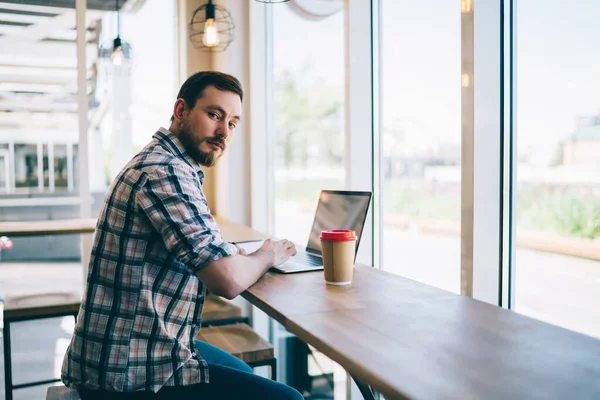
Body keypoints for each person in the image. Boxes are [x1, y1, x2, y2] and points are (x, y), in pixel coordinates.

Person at [61, 71, 303, 400]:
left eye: (232, 123)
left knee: (244, 372)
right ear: (180, 111)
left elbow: (205, 246)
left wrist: (236, 254)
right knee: (288, 398)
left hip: (131, 347)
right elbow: (226, 282)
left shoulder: (167, 163)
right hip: (128, 370)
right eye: (214, 115)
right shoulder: (166, 171)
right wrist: (268, 255)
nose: (223, 132)